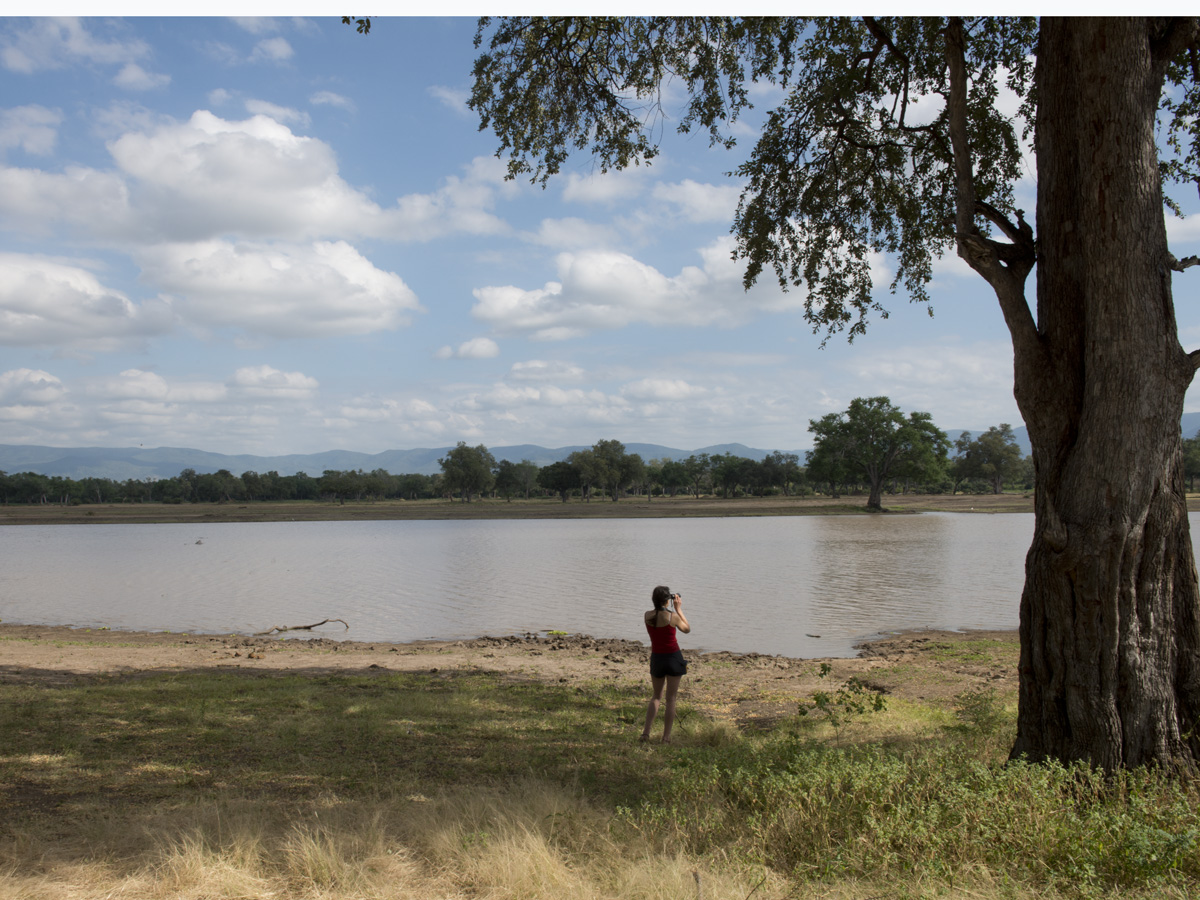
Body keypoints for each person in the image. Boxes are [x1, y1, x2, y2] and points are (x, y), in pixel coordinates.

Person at [641, 585, 691, 744]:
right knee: (671, 699)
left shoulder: (647, 616)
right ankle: (666, 738)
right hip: (673, 658)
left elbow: (657, 617)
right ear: (667, 600)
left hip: (657, 658)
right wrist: (679, 609)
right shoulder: (672, 617)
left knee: (656, 697)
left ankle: (645, 733)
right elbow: (687, 629)